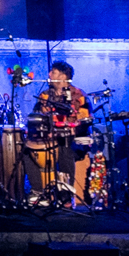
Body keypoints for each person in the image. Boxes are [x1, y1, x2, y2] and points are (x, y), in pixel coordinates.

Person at [36, 60, 92, 202]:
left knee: (64, 146)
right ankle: (38, 192)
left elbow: (84, 121)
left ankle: (66, 197)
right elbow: (39, 116)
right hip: (50, 138)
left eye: (53, 72)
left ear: (62, 76)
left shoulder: (78, 95)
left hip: (75, 140)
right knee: (28, 148)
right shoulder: (44, 95)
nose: (49, 74)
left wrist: (69, 128)